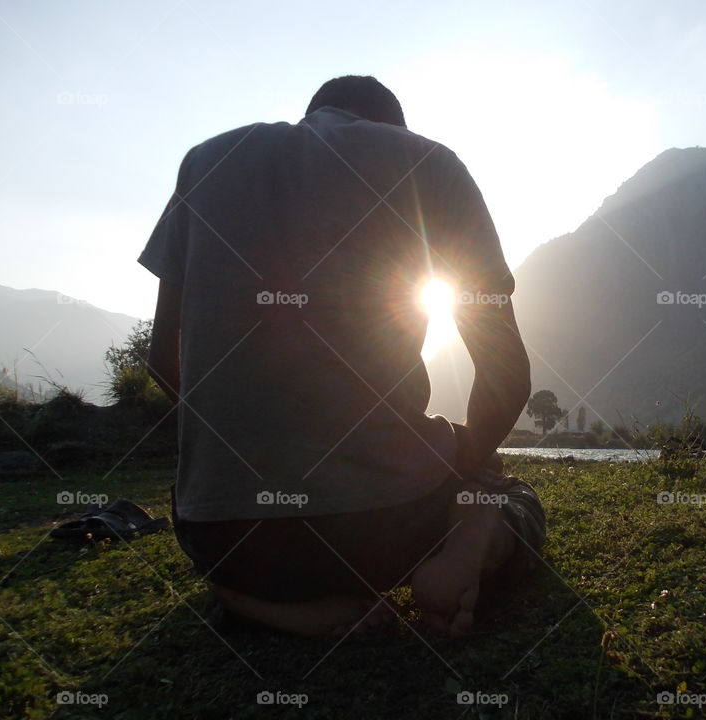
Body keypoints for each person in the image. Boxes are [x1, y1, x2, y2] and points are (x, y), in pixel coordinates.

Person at [140, 75, 545, 638]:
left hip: (230, 541)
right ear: (390, 125)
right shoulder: (428, 161)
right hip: (387, 528)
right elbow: (507, 375)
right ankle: (465, 544)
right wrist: (467, 465)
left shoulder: (205, 161)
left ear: (313, 115)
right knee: (510, 493)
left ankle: (261, 605)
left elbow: (163, 358)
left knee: (203, 519)